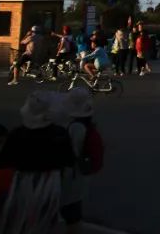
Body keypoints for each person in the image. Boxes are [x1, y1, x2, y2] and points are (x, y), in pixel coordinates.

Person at [0, 91, 75, 234]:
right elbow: (69, 160)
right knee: (45, 220)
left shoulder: (17, 134)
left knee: (20, 218)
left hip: (23, 180)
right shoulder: (60, 133)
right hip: (50, 181)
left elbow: (3, 161)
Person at [54, 88, 95, 233]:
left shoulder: (76, 127)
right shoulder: (85, 124)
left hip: (72, 174)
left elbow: (74, 152)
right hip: (79, 175)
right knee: (73, 207)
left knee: (71, 210)